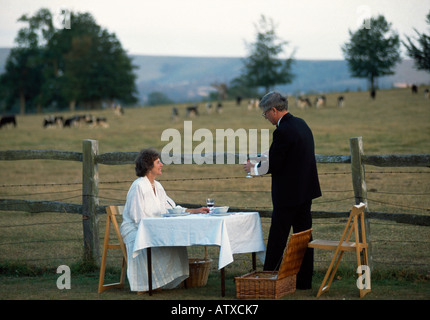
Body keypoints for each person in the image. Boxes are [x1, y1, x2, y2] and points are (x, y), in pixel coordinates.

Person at [244, 91, 321, 289]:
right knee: (303, 237)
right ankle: (304, 282)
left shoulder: (282, 131)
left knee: (278, 238)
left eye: (265, 113)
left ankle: (269, 278)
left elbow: (276, 164)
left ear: (274, 110)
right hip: (306, 191)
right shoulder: (301, 123)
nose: (266, 117)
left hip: (288, 195)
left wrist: (253, 168)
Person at [120, 148, 208, 293]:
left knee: (176, 241)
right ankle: (148, 283)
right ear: (149, 166)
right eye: (158, 162)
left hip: (154, 228)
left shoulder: (158, 186)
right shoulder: (138, 186)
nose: (162, 165)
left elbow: (172, 208)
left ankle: (164, 281)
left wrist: (195, 210)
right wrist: (156, 230)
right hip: (136, 230)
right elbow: (137, 218)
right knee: (163, 240)